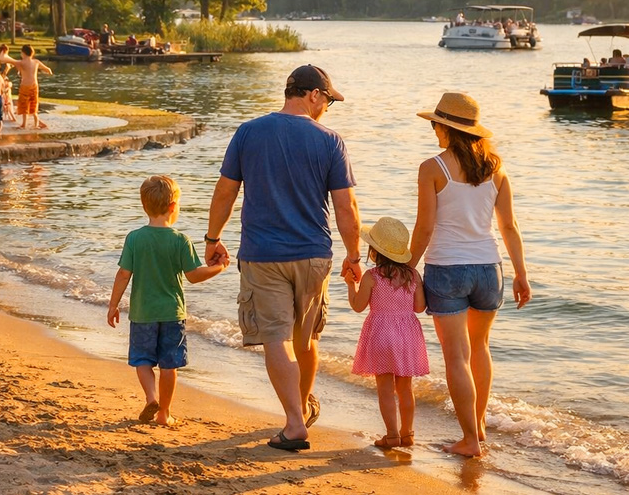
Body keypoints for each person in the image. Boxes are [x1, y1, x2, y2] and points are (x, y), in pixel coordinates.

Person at [205, 64, 362, 452]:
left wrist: (213, 238)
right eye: (327, 100)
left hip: (263, 254)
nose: (327, 108)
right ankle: (301, 409)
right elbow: (346, 208)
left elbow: (225, 192)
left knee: (277, 337)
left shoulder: (249, 132)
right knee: (305, 338)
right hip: (313, 255)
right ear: (313, 95)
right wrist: (355, 255)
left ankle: (295, 420)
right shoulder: (330, 141)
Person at [408, 92, 531, 458]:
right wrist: (521, 274)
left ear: (446, 127)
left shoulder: (432, 168)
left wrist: (407, 267)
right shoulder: (496, 167)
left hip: (447, 268)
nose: (433, 131)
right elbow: (509, 226)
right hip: (489, 269)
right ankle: (476, 428)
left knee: (457, 357)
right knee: (480, 348)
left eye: (435, 124)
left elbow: (425, 227)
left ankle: (470, 441)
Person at [107, 176, 229, 426]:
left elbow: (123, 274)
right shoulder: (180, 240)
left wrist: (113, 305)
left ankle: (151, 397)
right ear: (173, 207)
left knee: (142, 360)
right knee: (169, 365)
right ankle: (164, 413)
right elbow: (194, 276)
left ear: (144, 206)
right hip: (172, 314)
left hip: (142, 314)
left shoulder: (134, 238)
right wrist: (220, 268)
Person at [344, 216, 428, 450]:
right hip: (407, 335)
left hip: (381, 335)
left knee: (384, 389)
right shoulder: (413, 275)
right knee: (405, 388)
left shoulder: (372, 277)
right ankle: (407, 434)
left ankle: (391, 435)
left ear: (375, 251)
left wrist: (351, 284)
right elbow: (419, 308)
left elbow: (358, 306)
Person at [0, 45, 52, 130]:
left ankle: (24, 124)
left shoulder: (21, 62)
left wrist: (3, 53)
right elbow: (47, 69)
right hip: (34, 86)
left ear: (23, 53)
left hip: (25, 86)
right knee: (34, 105)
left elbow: (4, 59)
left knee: (24, 106)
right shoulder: (36, 62)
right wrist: (49, 71)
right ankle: (36, 124)